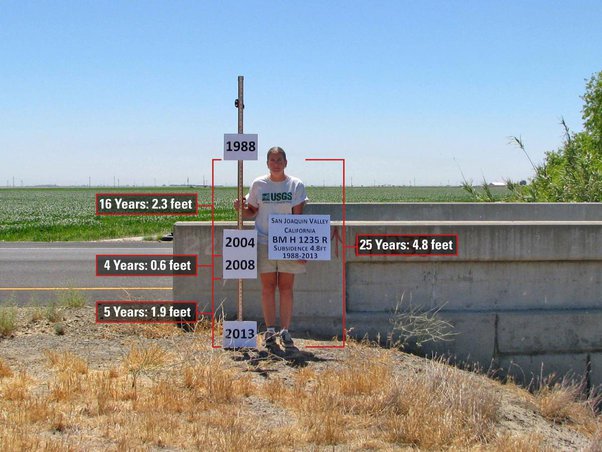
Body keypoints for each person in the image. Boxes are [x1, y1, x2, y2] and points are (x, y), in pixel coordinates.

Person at [234, 146, 308, 350]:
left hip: (286, 243)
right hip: (263, 241)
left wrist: (300, 248)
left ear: (286, 162)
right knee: (267, 288)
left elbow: (298, 219)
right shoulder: (259, 184)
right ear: (267, 163)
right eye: (272, 160)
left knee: (286, 288)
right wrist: (240, 209)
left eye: (279, 160)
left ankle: (285, 331)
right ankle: (269, 330)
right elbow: (251, 212)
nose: (276, 163)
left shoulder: (295, 185)